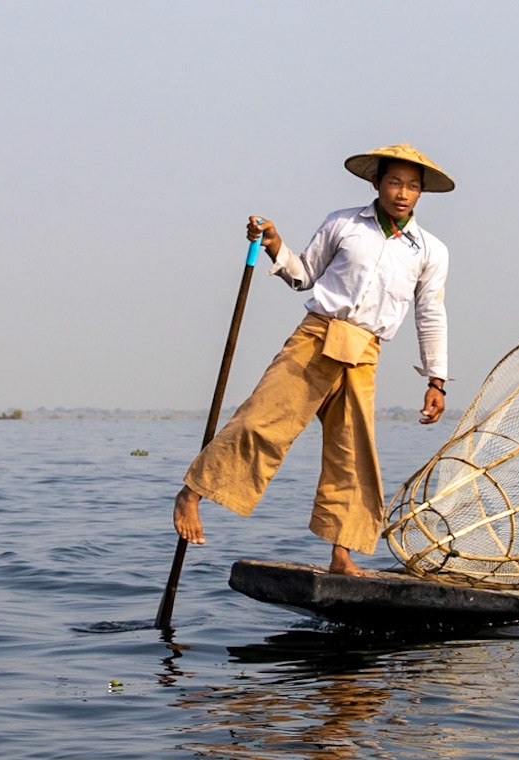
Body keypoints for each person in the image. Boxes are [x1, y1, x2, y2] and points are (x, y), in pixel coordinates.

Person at [172, 143, 454, 576]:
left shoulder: (429, 250)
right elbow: (304, 276)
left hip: (364, 352)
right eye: (394, 182)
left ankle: (341, 555)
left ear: (420, 195)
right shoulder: (343, 223)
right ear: (376, 183)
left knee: (354, 455)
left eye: (412, 186)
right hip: (316, 337)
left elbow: (430, 312)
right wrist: (274, 245)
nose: (402, 193)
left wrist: (437, 379)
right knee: (261, 421)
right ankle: (193, 492)